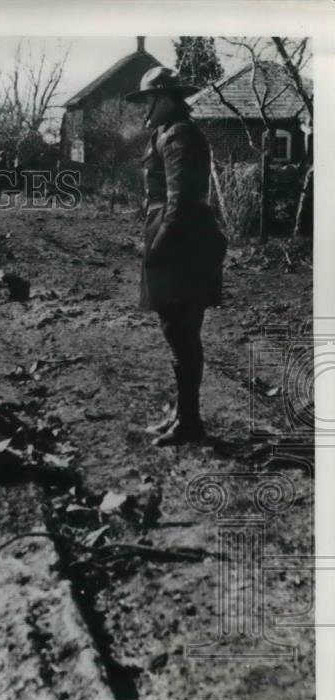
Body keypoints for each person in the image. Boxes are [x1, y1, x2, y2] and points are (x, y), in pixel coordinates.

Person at [125, 66, 227, 446]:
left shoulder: (180, 135)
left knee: (182, 332)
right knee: (176, 331)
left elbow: (180, 200)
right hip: (175, 236)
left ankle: (189, 422)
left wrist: (158, 247)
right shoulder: (165, 133)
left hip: (184, 241)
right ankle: (183, 414)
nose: (145, 108)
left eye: (149, 99)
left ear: (166, 98)